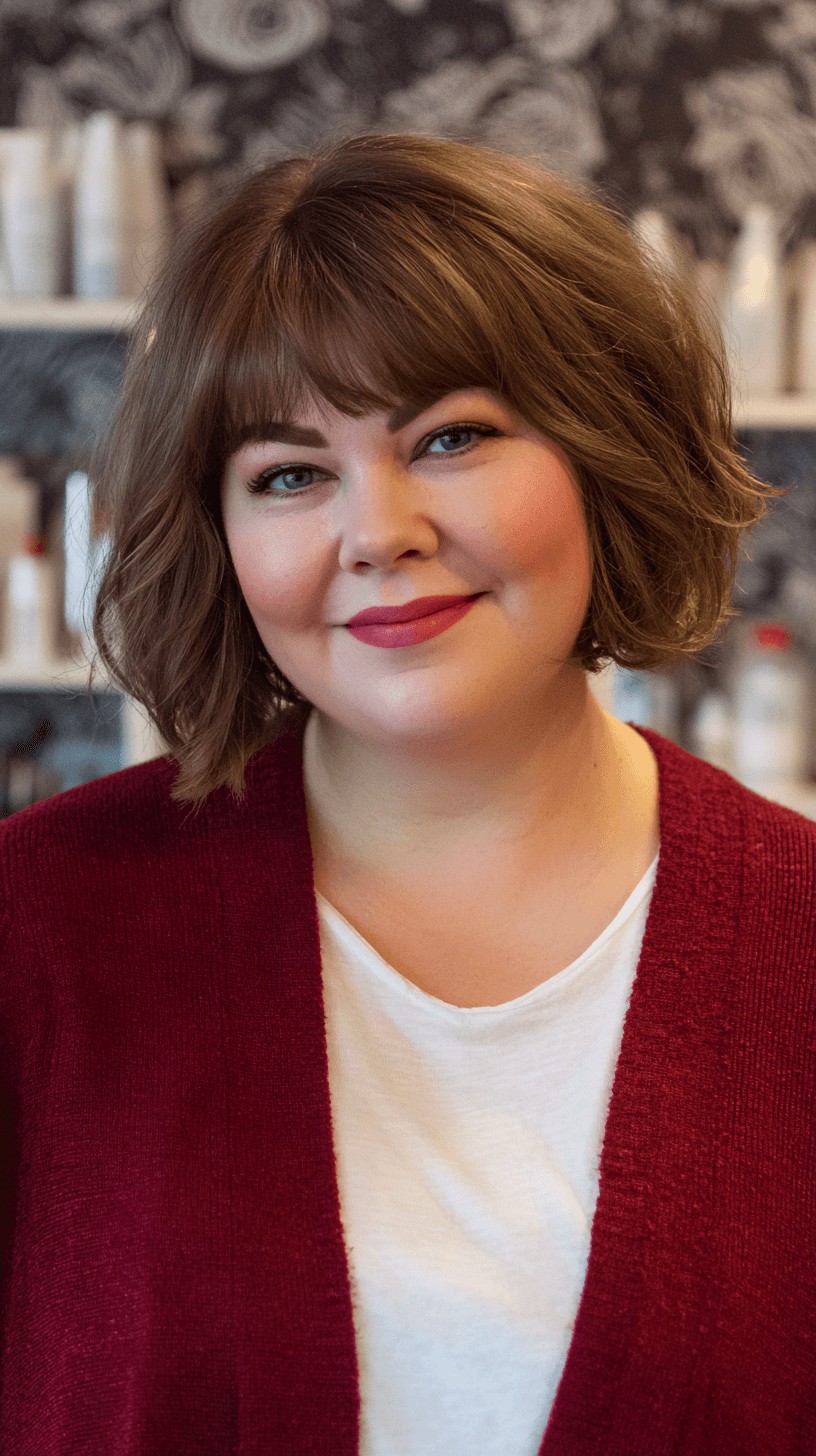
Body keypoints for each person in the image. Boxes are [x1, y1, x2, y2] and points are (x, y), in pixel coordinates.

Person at [1, 131, 813, 1455]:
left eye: (450, 437)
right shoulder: (42, 927)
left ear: (605, 447)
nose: (378, 531)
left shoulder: (797, 941)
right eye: (289, 474)